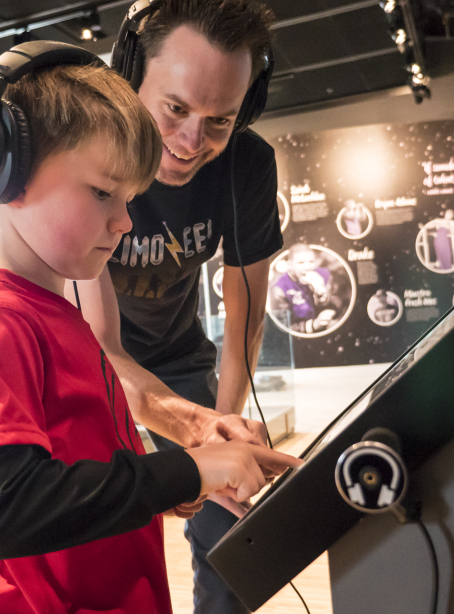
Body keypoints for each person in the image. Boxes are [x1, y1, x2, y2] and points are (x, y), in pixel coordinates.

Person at [0, 57, 301, 614]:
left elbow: (89, 473)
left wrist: (174, 486)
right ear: (7, 173)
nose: (125, 222)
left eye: (128, 200)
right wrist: (186, 470)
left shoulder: (64, 318)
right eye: (101, 193)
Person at [73, 1, 284, 612]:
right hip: (87, 365)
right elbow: (102, 348)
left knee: (228, 526)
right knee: (105, 540)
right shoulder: (90, 154)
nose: (193, 142)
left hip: (179, 358)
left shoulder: (247, 164)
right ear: (130, 76)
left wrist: (223, 433)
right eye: (175, 109)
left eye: (220, 120)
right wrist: (198, 434)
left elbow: (244, 321)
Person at [269, 244, 344, 334]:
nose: (307, 267)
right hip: (299, 339)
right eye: (301, 263)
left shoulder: (324, 275)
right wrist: (313, 325)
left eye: (311, 262)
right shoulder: (279, 288)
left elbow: (339, 304)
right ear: (290, 265)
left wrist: (322, 294)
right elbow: (281, 327)